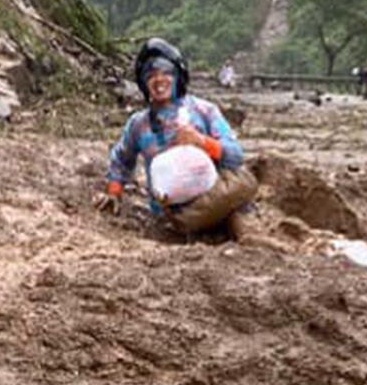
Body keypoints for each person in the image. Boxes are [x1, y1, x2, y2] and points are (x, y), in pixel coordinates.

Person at [98, 39, 265, 243]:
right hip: (172, 217)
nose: (159, 80)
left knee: (244, 223)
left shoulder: (204, 111)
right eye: (150, 75)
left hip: (216, 202)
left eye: (165, 72)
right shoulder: (138, 124)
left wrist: (204, 143)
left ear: (178, 76)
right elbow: (121, 160)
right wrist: (114, 191)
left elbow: (236, 157)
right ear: (143, 83)